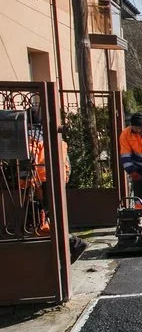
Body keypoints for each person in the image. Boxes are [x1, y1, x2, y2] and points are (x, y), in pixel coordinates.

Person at [21, 108, 87, 262]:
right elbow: (67, 164)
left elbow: (29, 165)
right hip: (55, 181)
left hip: (39, 183)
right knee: (50, 217)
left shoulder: (30, 139)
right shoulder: (55, 138)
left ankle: (72, 244)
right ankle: (66, 248)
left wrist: (24, 184)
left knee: (40, 220)